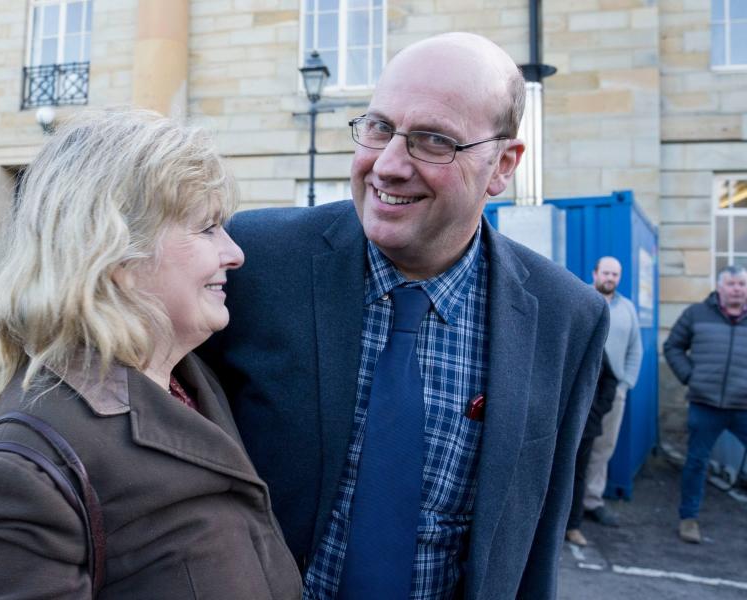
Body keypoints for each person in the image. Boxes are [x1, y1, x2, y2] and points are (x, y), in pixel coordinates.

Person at [201, 32, 608, 599]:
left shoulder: (566, 317)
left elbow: (533, 544)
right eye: (378, 127)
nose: (388, 166)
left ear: (503, 164)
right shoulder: (254, 259)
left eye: (434, 141)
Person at [0, 109, 302, 599]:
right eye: (207, 228)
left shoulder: (190, 380)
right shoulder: (28, 469)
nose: (234, 253)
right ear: (118, 255)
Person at [664, 264, 747, 544]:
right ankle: (688, 519)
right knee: (696, 463)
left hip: (743, 406)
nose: (738, 288)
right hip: (705, 404)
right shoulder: (696, 314)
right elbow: (672, 346)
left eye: (742, 284)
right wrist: (691, 377)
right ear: (720, 286)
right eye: (733, 284)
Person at [582, 256, 643, 528]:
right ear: (594, 273)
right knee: (571, 448)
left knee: (603, 447)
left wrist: (625, 384)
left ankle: (591, 501)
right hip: (578, 392)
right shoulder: (579, 299)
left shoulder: (627, 308)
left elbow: (636, 349)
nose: (610, 278)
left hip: (611, 393)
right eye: (606, 272)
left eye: (615, 274)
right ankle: (563, 507)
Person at [565, 355, 619, 547]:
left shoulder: (592, 333)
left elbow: (610, 379)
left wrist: (598, 409)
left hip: (585, 424)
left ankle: (572, 526)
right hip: (554, 426)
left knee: (577, 476)